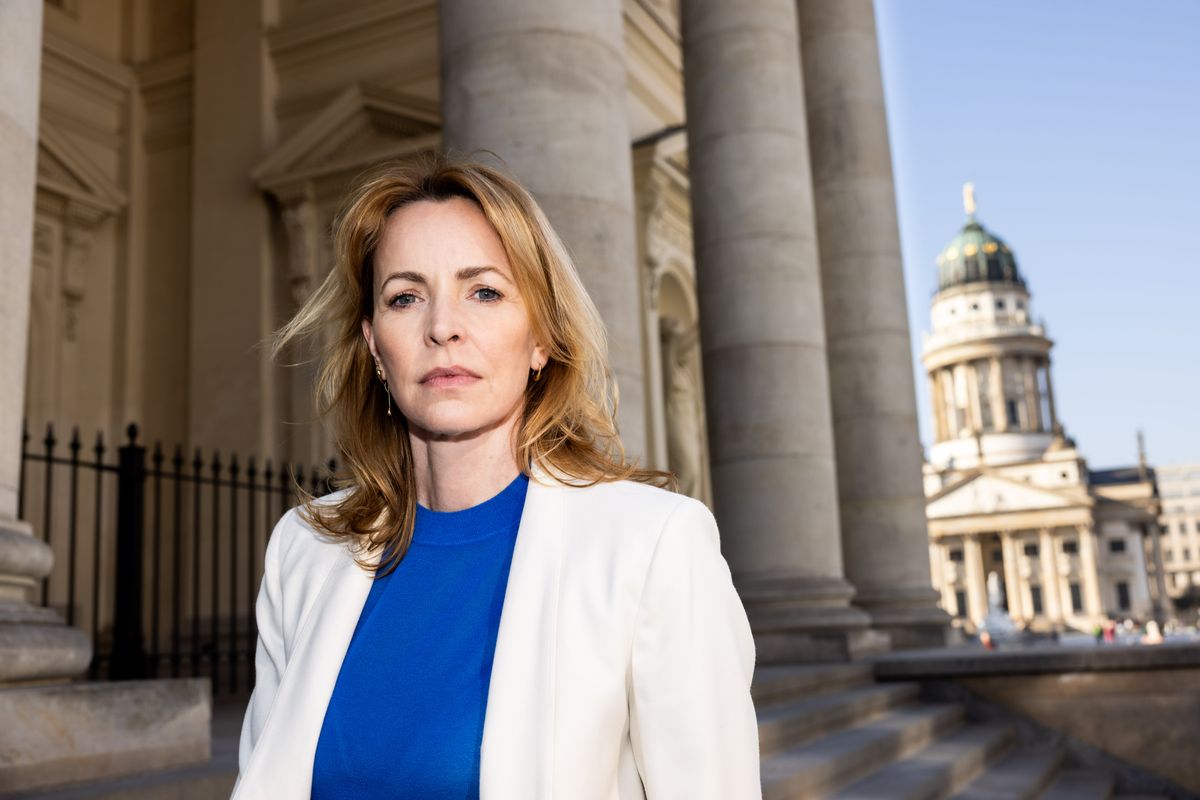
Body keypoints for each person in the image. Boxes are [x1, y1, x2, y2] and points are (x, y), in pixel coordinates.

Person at [230, 152, 762, 799]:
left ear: (540, 338)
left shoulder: (653, 547)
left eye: (483, 291)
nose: (442, 328)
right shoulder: (303, 550)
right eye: (405, 297)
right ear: (374, 347)